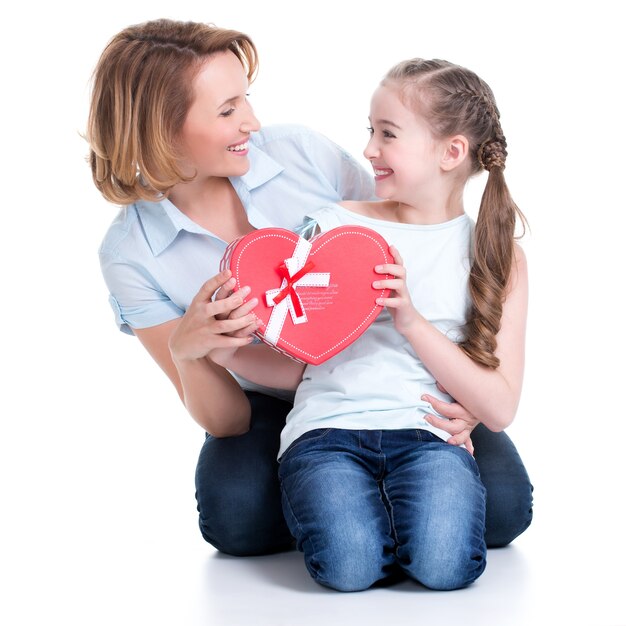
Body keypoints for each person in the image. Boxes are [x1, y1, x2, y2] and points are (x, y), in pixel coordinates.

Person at [86, 18, 532, 557]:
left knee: (504, 507)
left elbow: (420, 243)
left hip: (392, 373)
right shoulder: (131, 254)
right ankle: (348, 508)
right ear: (161, 128)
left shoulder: (299, 153)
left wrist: (471, 399)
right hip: (268, 398)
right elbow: (227, 420)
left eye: (245, 98)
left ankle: (372, 505)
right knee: (237, 522)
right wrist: (191, 353)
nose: (251, 120)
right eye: (227, 110)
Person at [215, 57, 529, 591]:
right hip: (328, 432)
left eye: (387, 134)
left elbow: (498, 407)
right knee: (348, 568)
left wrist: (409, 319)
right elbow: (298, 350)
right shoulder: (334, 227)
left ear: (451, 152)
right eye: (370, 131)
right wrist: (221, 347)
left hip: (427, 437)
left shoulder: (497, 255)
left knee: (446, 568)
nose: (367, 150)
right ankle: (362, 523)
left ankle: (387, 522)